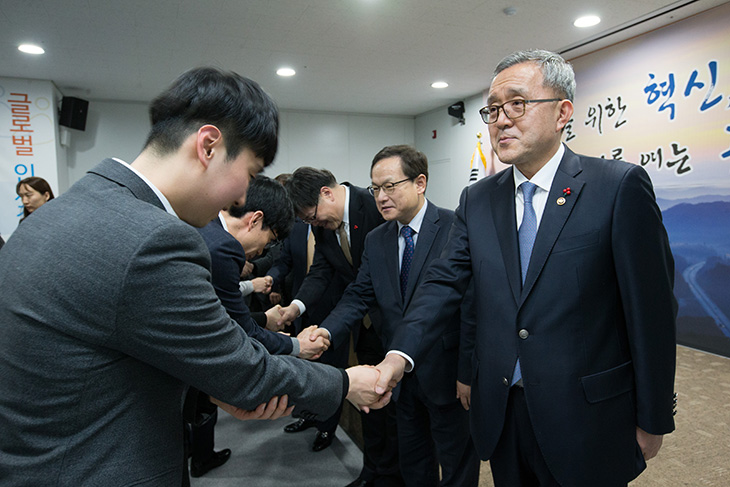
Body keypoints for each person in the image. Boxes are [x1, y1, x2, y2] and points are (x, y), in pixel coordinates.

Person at [0, 67, 388, 486]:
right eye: (250, 171)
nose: (242, 196)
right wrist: (345, 381)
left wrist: (218, 386)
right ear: (208, 146)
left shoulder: (66, 209)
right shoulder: (154, 239)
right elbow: (241, 371)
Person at [375, 49, 677, 487]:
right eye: (493, 109)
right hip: (502, 412)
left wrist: (653, 416)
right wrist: (398, 356)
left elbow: (651, 312)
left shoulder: (617, 187)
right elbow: (442, 283)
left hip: (587, 415)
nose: (501, 119)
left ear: (562, 112)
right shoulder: (478, 200)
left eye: (517, 103)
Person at [316, 145, 481, 487]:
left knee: (456, 462)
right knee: (414, 460)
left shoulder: (455, 227)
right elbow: (359, 293)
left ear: (420, 182)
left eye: (390, 186)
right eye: (375, 188)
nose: (380, 196)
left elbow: (470, 306)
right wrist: (327, 332)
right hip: (399, 378)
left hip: (447, 373)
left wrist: (468, 371)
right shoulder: (377, 240)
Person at [189, 175, 332, 478]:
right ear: (255, 220)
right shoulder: (223, 248)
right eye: (269, 240)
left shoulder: (205, 227)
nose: (261, 251)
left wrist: (266, 319)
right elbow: (238, 331)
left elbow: (221, 317)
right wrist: (298, 347)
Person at [277, 167, 402, 487]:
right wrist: (296, 307)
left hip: (398, 324)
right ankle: (375, 471)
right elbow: (322, 270)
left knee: (403, 410)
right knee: (372, 403)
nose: (313, 224)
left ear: (327, 194)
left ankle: (398, 475)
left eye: (311, 217)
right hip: (364, 326)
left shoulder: (374, 205)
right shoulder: (323, 225)